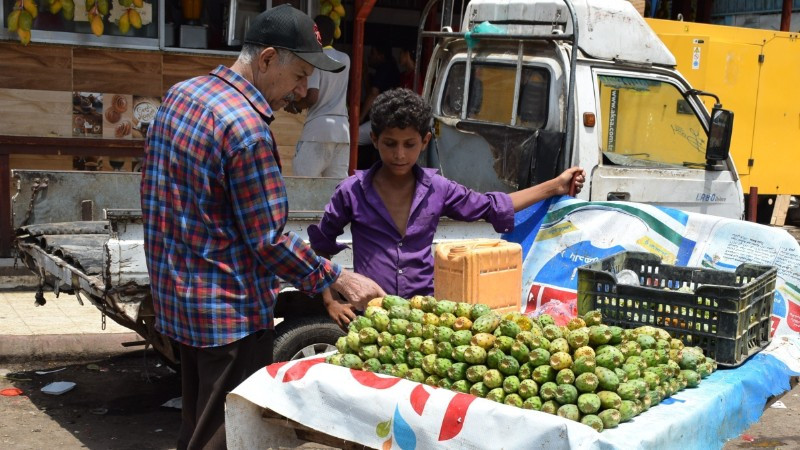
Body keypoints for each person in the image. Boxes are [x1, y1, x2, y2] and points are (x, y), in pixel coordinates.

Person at [140, 5, 385, 449]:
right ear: (268, 58)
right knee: (224, 437)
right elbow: (268, 240)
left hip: (181, 303)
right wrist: (339, 277)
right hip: (229, 318)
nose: (303, 89)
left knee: (197, 427)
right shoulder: (246, 128)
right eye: (300, 74)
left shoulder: (183, 94)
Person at [308, 88, 585, 329]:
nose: (400, 154)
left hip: (424, 316)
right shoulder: (352, 191)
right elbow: (320, 246)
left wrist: (555, 187)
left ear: (425, 141)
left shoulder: (438, 188)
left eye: (410, 144)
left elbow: (493, 206)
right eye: (390, 144)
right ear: (376, 139)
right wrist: (331, 301)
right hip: (368, 317)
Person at [286, 15, 351, 178]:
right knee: (335, 192)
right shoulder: (345, 59)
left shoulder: (316, 59)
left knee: (303, 185)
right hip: (342, 131)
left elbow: (312, 97)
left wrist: (294, 106)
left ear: (316, 34)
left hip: (318, 130)